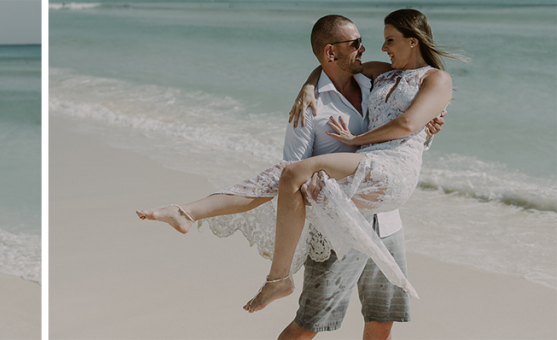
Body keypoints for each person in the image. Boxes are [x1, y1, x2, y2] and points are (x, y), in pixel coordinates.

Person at [136, 8, 462, 315]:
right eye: (361, 43)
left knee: (294, 173)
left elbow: (406, 125)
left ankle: (270, 273)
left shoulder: (415, 79)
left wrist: (356, 140)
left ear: (412, 41)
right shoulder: (374, 78)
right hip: (356, 183)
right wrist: (309, 87)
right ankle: (191, 215)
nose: (376, 47)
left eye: (388, 39)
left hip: (389, 183)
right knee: (288, 175)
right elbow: (329, 64)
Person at [273, 15, 445, 340]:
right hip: (339, 227)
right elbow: (291, 172)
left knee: (383, 319)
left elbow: (401, 135)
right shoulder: (310, 107)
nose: (366, 48)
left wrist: (427, 130)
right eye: (355, 44)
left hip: (386, 221)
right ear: (331, 52)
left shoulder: (375, 84)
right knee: (311, 323)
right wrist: (310, 86)